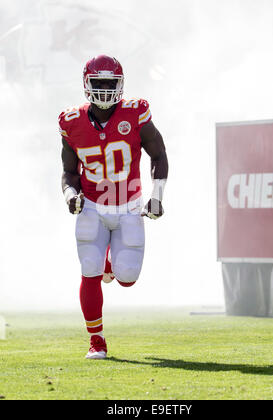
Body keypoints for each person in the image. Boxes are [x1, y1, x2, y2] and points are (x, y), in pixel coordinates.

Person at [59, 55, 168, 359]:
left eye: (111, 83)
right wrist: (70, 194)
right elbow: (68, 171)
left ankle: (111, 263)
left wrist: (157, 195)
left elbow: (158, 154)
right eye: (99, 83)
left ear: (120, 85)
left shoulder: (136, 113)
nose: (105, 89)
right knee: (89, 269)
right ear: (87, 84)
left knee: (128, 277)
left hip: (130, 205)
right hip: (93, 205)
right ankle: (97, 340)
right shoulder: (71, 122)